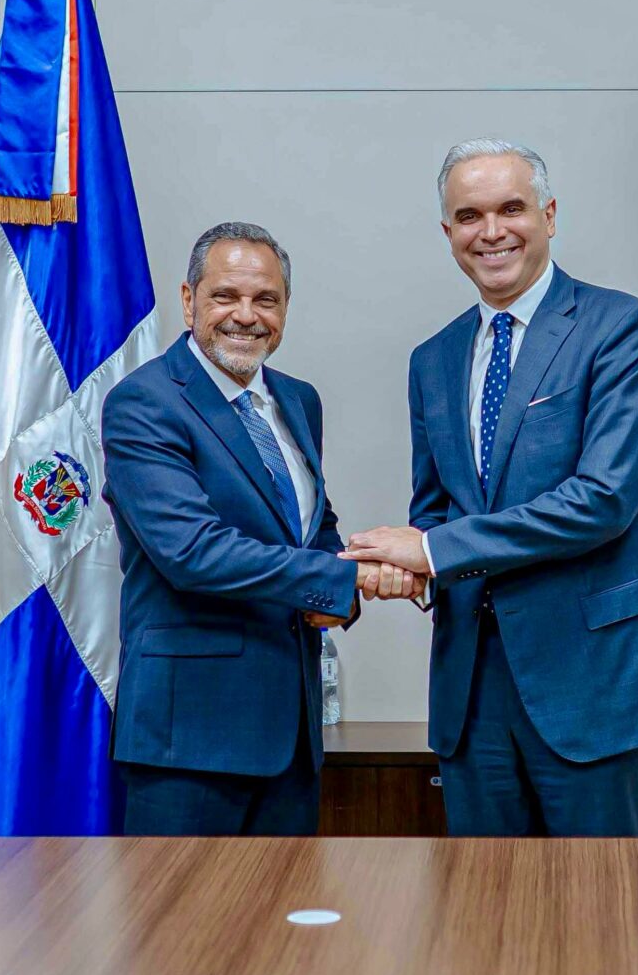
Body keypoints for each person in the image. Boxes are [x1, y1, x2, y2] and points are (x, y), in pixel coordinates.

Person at [344, 141, 638, 837]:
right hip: (472, 695)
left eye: (511, 208)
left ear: (549, 215)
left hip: (594, 684)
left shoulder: (620, 328)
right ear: (448, 233)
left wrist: (430, 553)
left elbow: (603, 501)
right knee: (483, 901)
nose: (492, 231)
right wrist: (406, 571)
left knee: (601, 897)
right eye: (469, 216)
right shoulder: (432, 359)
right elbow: (434, 511)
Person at [103, 221, 420, 836]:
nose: (246, 316)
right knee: (180, 904)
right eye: (225, 296)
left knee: (287, 899)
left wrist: (343, 582)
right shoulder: (145, 403)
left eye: (266, 299)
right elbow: (192, 552)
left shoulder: (298, 400)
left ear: (285, 308)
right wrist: (348, 578)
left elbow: (312, 527)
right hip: (189, 740)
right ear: (189, 299)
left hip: (291, 734)